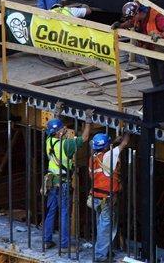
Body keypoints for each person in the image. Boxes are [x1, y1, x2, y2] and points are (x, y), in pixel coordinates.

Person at [43, 111, 93, 251]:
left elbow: (55, 127)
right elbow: (85, 137)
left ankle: (46, 241)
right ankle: (64, 245)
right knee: (64, 212)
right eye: (62, 129)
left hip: (51, 181)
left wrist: (57, 113)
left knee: (51, 210)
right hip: (63, 182)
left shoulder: (48, 141)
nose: (64, 130)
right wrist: (88, 120)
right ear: (59, 132)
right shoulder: (66, 145)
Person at [88, 132, 131, 262]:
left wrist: (112, 142)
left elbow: (105, 152)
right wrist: (128, 131)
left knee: (101, 226)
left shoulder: (93, 157)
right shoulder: (109, 155)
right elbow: (124, 144)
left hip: (96, 197)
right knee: (106, 228)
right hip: (106, 199)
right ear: (106, 146)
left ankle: (104, 251)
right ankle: (100, 256)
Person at [112, 1, 164, 86]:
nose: (131, 19)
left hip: (163, 50)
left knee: (163, 71)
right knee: (153, 70)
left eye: (132, 17)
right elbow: (130, 23)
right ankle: (156, 88)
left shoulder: (155, 15)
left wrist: (162, 34)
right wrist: (120, 25)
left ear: (138, 12)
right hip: (150, 50)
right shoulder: (137, 18)